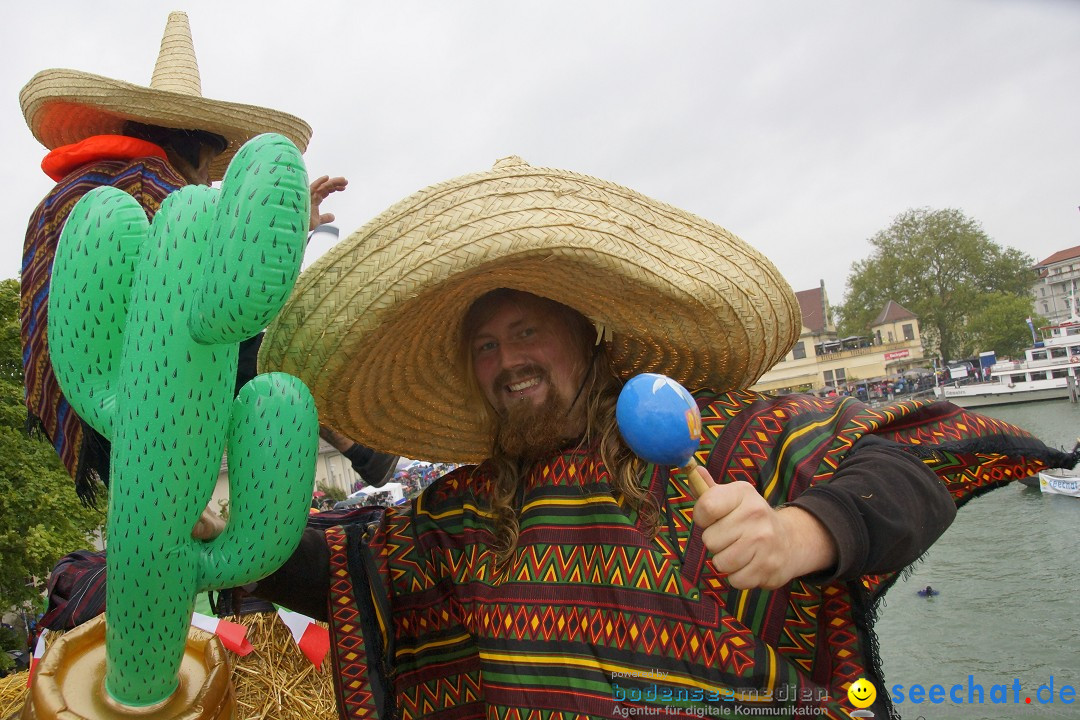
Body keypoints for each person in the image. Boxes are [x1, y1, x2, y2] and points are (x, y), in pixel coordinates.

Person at [247, 156, 1077, 719]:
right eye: (486, 346)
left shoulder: (709, 438)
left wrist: (804, 531)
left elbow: (932, 445)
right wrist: (232, 534)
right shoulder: (465, 510)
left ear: (592, 338)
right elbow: (358, 583)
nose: (508, 361)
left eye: (528, 331)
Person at [18, 11, 374, 505]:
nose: (209, 180)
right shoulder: (154, 186)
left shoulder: (76, 190)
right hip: (152, 369)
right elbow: (226, 293)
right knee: (267, 359)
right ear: (196, 148)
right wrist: (291, 233)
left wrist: (299, 230)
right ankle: (353, 444)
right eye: (211, 163)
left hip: (90, 384)